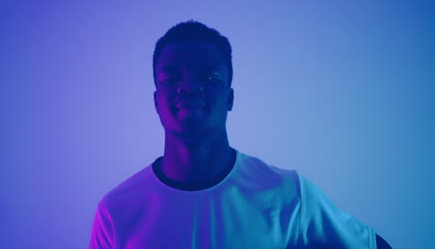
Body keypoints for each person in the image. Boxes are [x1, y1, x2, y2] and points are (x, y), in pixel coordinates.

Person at [89, 20, 392, 248]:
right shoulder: (116, 210)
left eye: (208, 76)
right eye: (172, 77)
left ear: (230, 97)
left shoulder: (288, 194)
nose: (188, 86)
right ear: (156, 100)